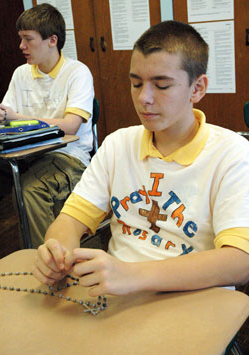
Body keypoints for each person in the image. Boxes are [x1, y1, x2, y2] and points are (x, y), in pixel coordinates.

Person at [33, 20, 249, 297]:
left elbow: (240, 260)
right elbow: (70, 220)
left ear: (197, 88)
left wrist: (134, 275)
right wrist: (57, 251)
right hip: (118, 296)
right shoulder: (117, 145)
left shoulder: (231, 153)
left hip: (194, 300)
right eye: (136, 83)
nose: (144, 97)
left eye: (161, 86)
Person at [0, 3, 94, 248]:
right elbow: (6, 115)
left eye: (28, 39)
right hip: (26, 155)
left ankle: (51, 265)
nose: (21, 46)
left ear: (52, 40)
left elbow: (70, 127)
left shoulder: (77, 73)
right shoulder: (22, 73)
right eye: (21, 39)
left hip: (67, 156)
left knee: (28, 191)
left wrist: (16, 117)